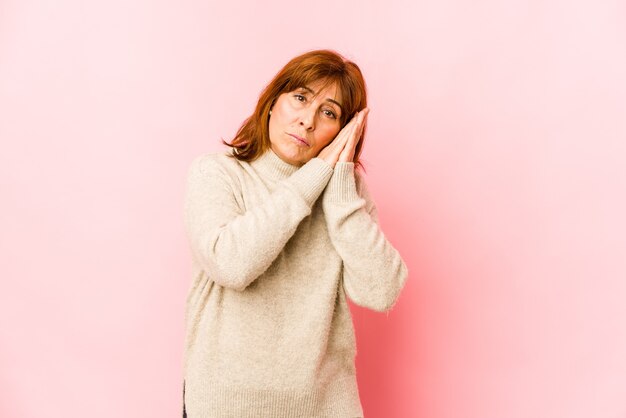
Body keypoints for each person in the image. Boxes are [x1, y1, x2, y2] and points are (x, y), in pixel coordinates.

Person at [181, 49, 409, 417]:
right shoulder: (217, 174)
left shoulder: (344, 193)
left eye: (329, 113)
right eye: (300, 98)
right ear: (273, 103)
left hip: (324, 407)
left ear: (342, 131)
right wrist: (312, 178)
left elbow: (380, 291)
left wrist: (337, 185)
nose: (307, 121)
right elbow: (231, 264)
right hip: (226, 406)